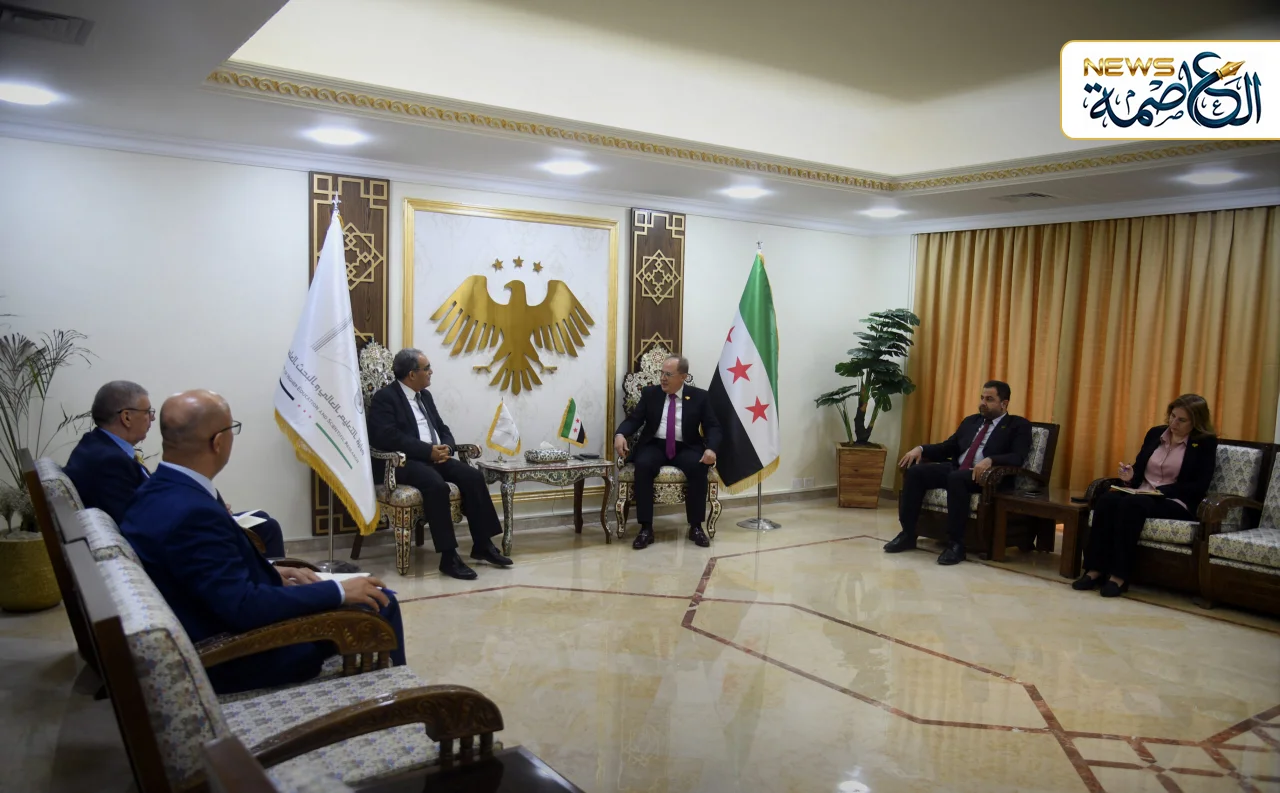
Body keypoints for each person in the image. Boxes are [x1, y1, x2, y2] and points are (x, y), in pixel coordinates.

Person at [120, 390, 405, 695]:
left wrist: (274, 572)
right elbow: (243, 607)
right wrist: (338, 591)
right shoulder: (193, 513)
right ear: (218, 442)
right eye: (232, 428)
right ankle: (397, 701)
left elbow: (207, 576)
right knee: (380, 602)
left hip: (213, 623)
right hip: (239, 655)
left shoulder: (156, 490)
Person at [64, 380, 286, 556]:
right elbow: (137, 521)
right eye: (148, 412)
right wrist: (206, 509)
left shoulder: (97, 446)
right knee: (267, 527)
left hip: (170, 524)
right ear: (127, 417)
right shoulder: (108, 461)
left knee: (261, 518)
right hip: (170, 540)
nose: (152, 419)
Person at [367, 348, 509, 580]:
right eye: (427, 368)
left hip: (434, 457)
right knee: (435, 485)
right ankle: (448, 556)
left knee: (473, 476)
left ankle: (483, 544)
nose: (431, 372)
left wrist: (447, 449)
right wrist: (427, 452)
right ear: (412, 374)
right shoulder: (386, 398)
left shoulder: (425, 396)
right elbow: (388, 437)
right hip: (403, 462)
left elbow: (442, 428)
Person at [1074, 394, 1218, 598]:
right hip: (1141, 493)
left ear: (1196, 422)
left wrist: (1161, 491)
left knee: (1133, 505)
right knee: (1107, 500)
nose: (1173, 423)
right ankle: (1094, 570)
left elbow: (1199, 485)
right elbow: (1140, 468)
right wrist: (1130, 477)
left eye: (1181, 420)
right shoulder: (1156, 434)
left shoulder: (1204, 443)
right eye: (1172, 416)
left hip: (1174, 500)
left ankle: (1119, 576)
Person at [886, 380, 1032, 565]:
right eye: (982, 398)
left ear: (1004, 403)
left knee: (956, 478)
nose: (982, 403)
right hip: (958, 468)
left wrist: (991, 460)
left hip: (989, 478)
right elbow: (948, 447)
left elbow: (1018, 457)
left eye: (989, 399)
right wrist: (921, 449)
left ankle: (956, 545)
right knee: (916, 472)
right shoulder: (971, 421)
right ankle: (908, 534)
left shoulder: (1018, 425)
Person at [614, 354, 722, 549]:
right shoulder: (650, 393)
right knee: (643, 465)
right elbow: (634, 419)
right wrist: (620, 434)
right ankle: (646, 528)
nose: (662, 378)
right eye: (661, 373)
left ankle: (696, 527)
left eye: (668, 374)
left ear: (683, 377)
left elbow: (713, 426)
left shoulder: (699, 397)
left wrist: (711, 449)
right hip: (655, 444)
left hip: (686, 446)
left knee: (698, 467)